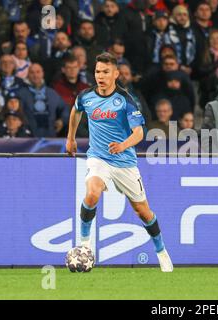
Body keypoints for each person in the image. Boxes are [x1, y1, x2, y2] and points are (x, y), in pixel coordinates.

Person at [66, 52, 173, 272]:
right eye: (97, 71)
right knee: (92, 192)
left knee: (143, 212)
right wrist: (70, 138)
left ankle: (161, 251)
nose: (100, 76)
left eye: (105, 72)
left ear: (115, 74)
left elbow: (139, 133)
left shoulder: (125, 100)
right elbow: (76, 110)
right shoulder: (86, 96)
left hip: (124, 161)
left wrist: (123, 145)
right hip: (98, 158)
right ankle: (85, 245)